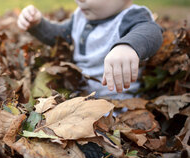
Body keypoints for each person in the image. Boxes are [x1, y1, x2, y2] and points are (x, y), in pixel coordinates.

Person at [17, 0, 163, 99]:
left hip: (117, 104)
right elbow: (61, 36)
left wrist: (129, 46)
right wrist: (38, 24)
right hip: (81, 96)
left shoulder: (132, 16)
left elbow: (151, 31)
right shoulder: (81, 16)